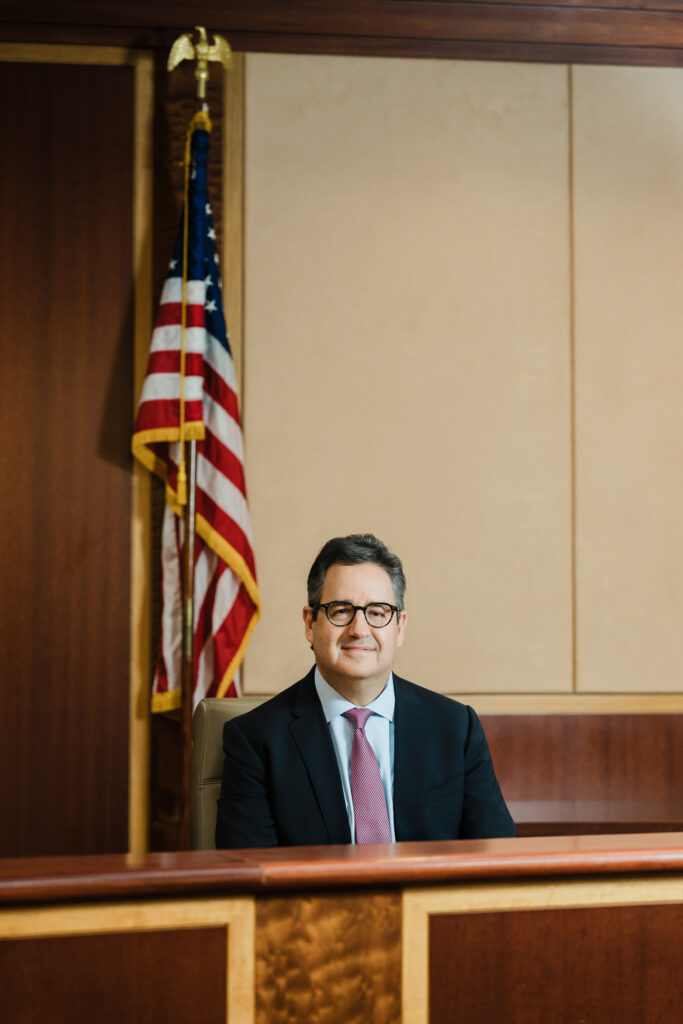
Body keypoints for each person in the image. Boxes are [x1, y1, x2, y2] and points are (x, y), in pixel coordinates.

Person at [215, 533, 515, 848]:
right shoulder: (256, 739)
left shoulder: (456, 728)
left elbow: (497, 856)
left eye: (377, 612)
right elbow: (250, 868)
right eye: (341, 610)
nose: (359, 630)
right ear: (310, 623)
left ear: (399, 627)